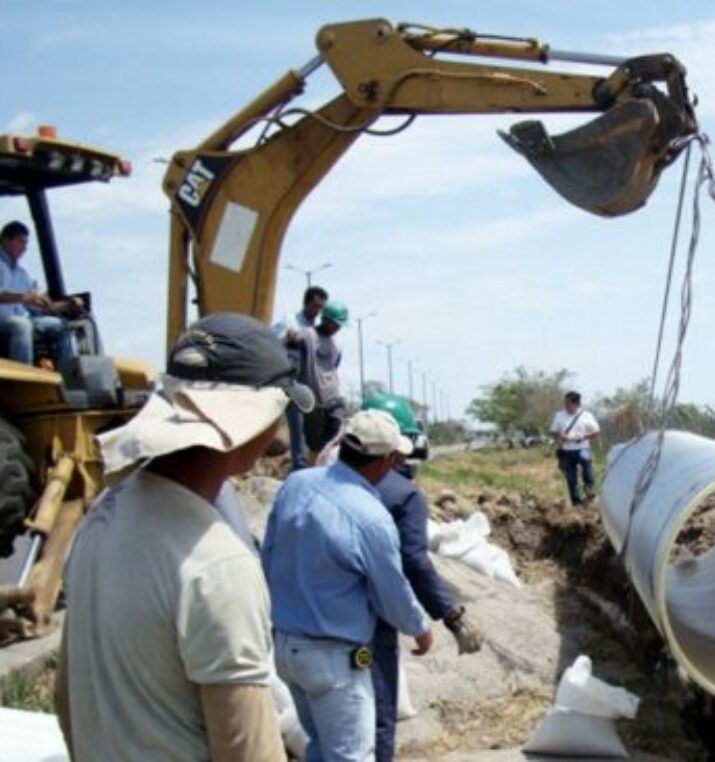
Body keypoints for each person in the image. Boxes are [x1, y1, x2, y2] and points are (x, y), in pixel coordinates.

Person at [55, 313, 316, 762]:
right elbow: (247, 750)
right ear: (255, 424)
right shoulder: (216, 564)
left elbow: (66, 697)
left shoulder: (101, 520)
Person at [263, 409, 434, 762]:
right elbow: (391, 590)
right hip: (334, 659)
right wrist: (419, 627)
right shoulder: (370, 517)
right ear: (387, 461)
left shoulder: (296, 484)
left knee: (319, 749)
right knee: (351, 755)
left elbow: (270, 553)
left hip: (286, 649)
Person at [359, 393, 484, 762]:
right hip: (365, 628)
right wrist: (451, 616)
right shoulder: (402, 495)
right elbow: (411, 563)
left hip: (299, 629)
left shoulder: (314, 482)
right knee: (378, 719)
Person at [0, 220, 79, 369]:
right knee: (21, 325)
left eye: (26, 243)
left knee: (61, 326)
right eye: (20, 242)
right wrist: (25, 298)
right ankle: (23, 378)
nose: (24, 248)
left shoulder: (22, 275)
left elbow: (42, 307)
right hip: (3, 320)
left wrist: (68, 304)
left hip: (24, 319)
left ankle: (67, 377)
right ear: (5, 239)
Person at [273, 285, 328, 470]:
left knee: (315, 426)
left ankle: (314, 464)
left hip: (313, 381)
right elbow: (273, 338)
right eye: (315, 306)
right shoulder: (291, 321)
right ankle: (300, 465)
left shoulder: (318, 330)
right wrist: (289, 337)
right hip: (293, 380)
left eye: (321, 308)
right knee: (297, 423)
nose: (317, 312)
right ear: (306, 304)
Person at [298, 299, 348, 455]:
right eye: (335, 323)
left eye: (340, 325)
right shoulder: (307, 336)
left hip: (333, 400)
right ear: (325, 319)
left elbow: (334, 366)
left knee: (336, 435)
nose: (338, 328)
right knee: (315, 445)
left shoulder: (336, 345)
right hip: (313, 404)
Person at [550, 391, 601, 507]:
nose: (566, 406)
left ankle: (590, 494)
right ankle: (576, 502)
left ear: (576, 404)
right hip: (567, 450)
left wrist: (584, 437)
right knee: (571, 478)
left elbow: (596, 431)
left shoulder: (586, 415)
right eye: (565, 403)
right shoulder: (560, 415)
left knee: (587, 472)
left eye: (568, 403)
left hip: (583, 448)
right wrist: (561, 436)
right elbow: (553, 431)